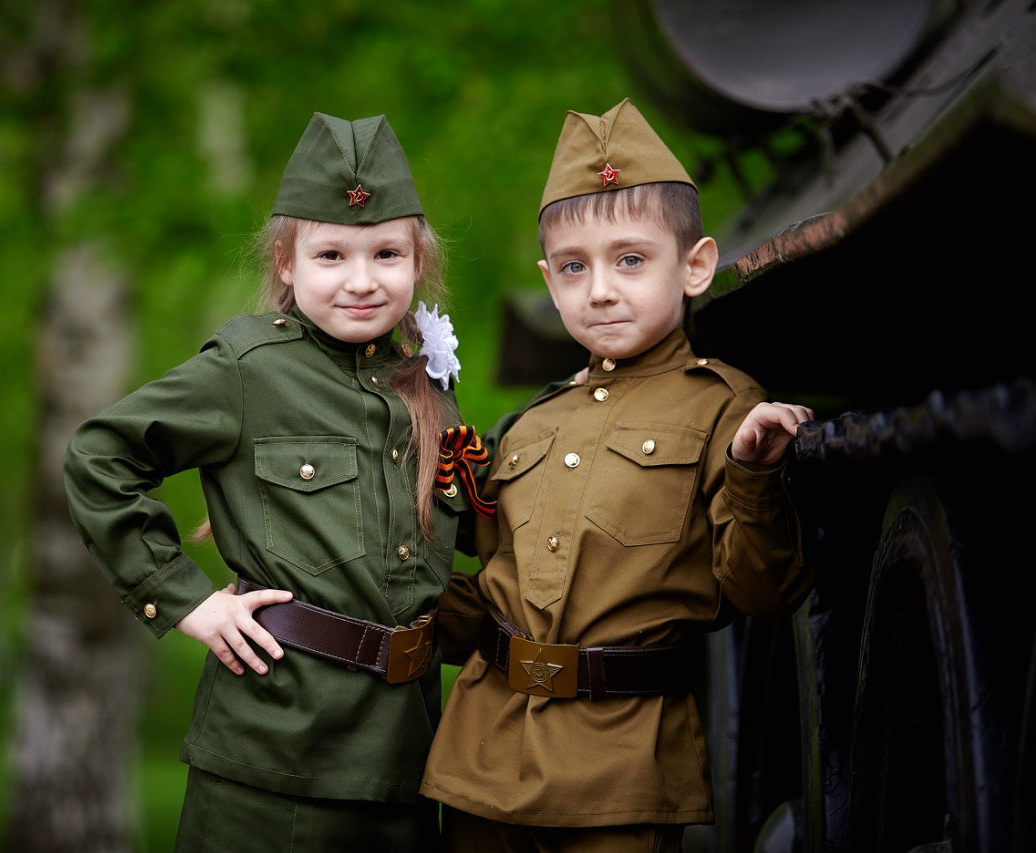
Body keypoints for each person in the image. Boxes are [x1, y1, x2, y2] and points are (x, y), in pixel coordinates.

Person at [63, 111, 490, 853]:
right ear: (288, 264)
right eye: (332, 255)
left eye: (386, 253)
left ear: (418, 262)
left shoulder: (427, 386)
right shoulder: (247, 368)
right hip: (272, 763)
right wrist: (187, 600)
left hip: (406, 766)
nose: (362, 280)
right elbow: (100, 456)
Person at [420, 99, 817, 852]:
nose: (600, 289)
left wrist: (754, 475)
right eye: (574, 267)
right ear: (549, 278)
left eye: (630, 259)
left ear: (694, 264)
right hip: (480, 762)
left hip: (619, 773)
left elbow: (762, 590)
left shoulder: (725, 409)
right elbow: (489, 595)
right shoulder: (532, 425)